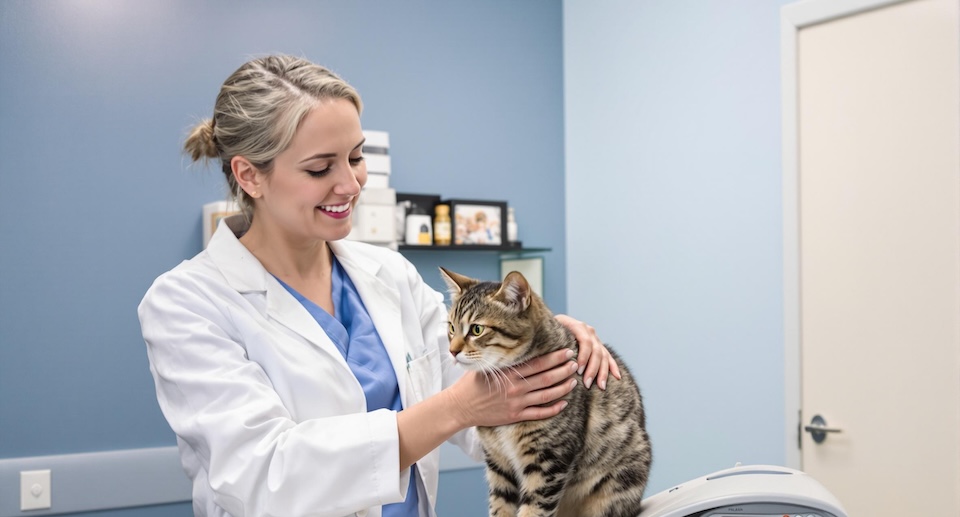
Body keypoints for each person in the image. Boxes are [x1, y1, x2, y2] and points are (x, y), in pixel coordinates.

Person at [138, 54, 619, 517]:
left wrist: (543, 346)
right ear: (250, 176)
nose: (350, 184)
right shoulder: (186, 304)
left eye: (356, 156)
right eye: (320, 168)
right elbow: (266, 478)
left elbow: (489, 403)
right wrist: (455, 409)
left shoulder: (389, 275)